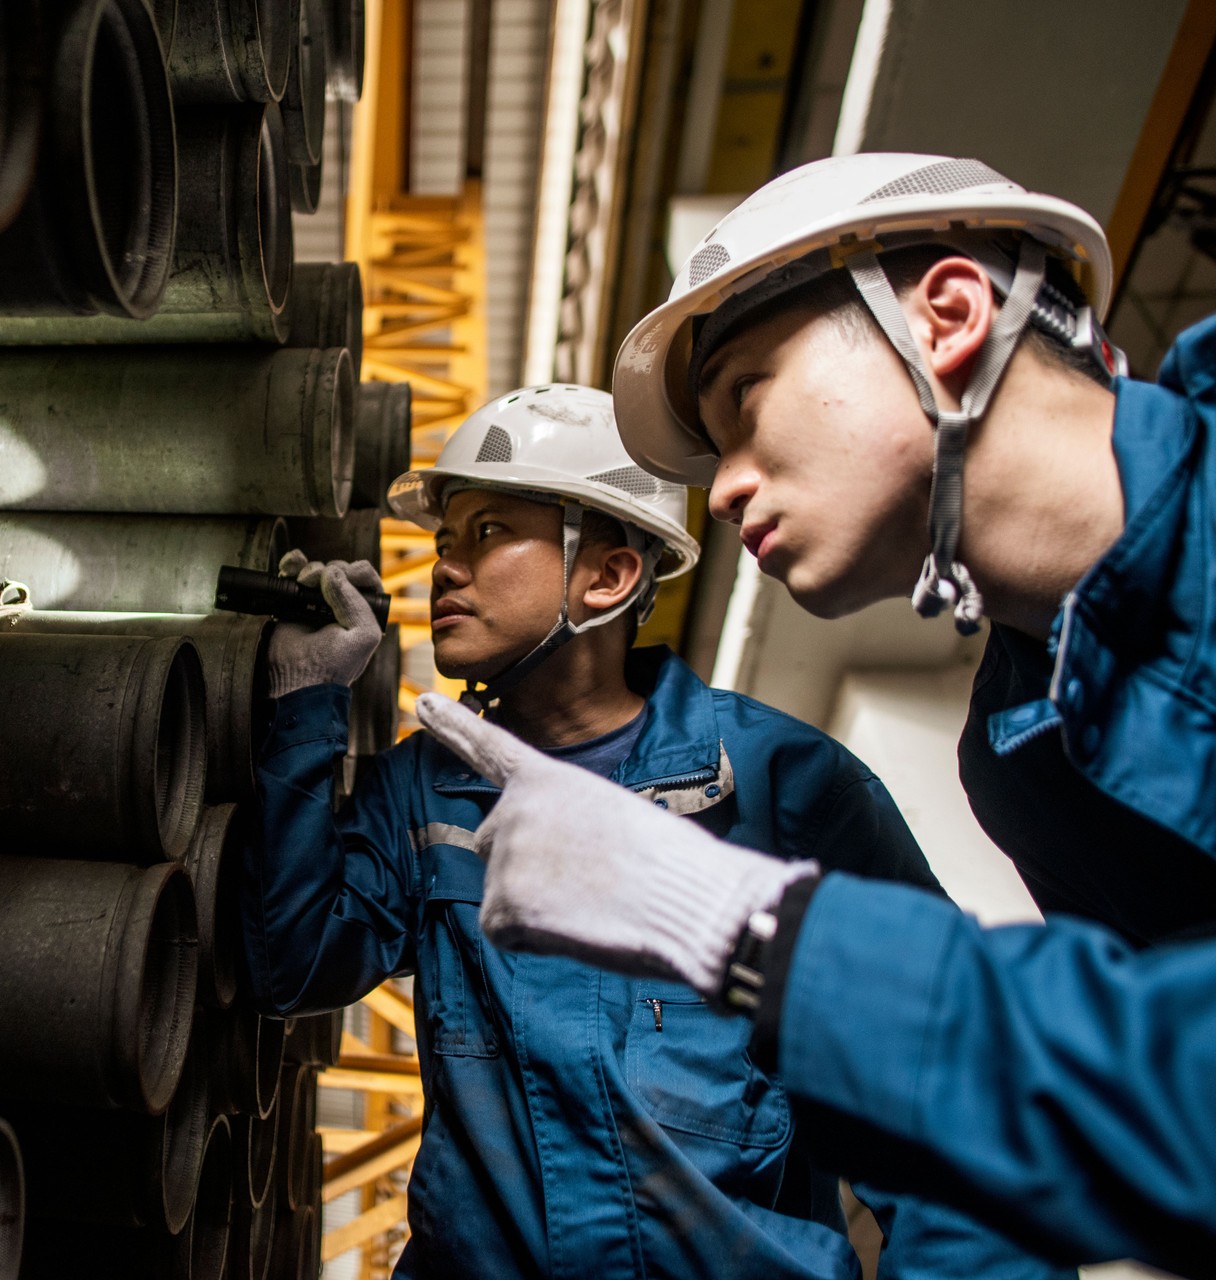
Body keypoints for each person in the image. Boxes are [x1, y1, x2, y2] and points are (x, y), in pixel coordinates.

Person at [412, 153, 1216, 1274]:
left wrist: (740, 924)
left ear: (945, 313)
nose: (727, 482)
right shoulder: (1026, 751)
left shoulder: (795, 778)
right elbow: (1150, 1103)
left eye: (745, 399)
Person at [239, 384, 1061, 1278]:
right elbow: (293, 961)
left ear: (608, 576)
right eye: (445, 542)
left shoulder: (781, 789)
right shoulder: (427, 790)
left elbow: (946, 1101)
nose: (444, 569)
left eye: (488, 534)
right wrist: (309, 703)